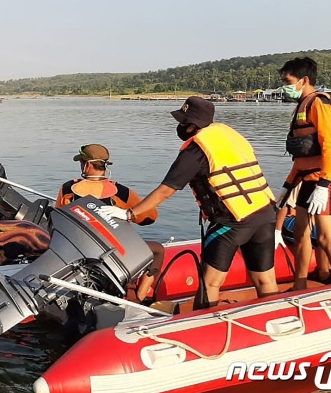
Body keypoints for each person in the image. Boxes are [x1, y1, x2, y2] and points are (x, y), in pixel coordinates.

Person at [100, 97, 279, 309]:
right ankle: (275, 314)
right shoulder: (227, 135)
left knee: (210, 283)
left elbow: (166, 190)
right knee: (264, 279)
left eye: (183, 122)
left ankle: (205, 326)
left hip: (231, 222)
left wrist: (129, 214)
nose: (180, 126)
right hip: (265, 214)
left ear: (193, 125)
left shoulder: (196, 150)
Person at [276, 57, 331, 290]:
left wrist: (324, 184)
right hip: (307, 179)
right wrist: (287, 187)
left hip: (324, 180)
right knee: (300, 232)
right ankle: (300, 285)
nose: (284, 85)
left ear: (304, 80)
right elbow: (302, 157)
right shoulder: (302, 105)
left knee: (327, 239)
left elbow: (330, 147)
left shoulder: (320, 104)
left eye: (288, 81)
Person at [56, 144, 162, 301]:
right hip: (113, 252)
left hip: (78, 250)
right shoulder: (122, 192)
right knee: (159, 250)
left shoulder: (67, 189)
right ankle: (141, 293)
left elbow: (58, 219)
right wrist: (128, 215)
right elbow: (150, 218)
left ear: (88, 165)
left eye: (81, 162)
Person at [275, 173, 331, 283]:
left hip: (320, 217)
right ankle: (324, 273)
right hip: (293, 218)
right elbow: (284, 205)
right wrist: (277, 230)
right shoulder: (308, 177)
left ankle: (329, 267)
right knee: (328, 232)